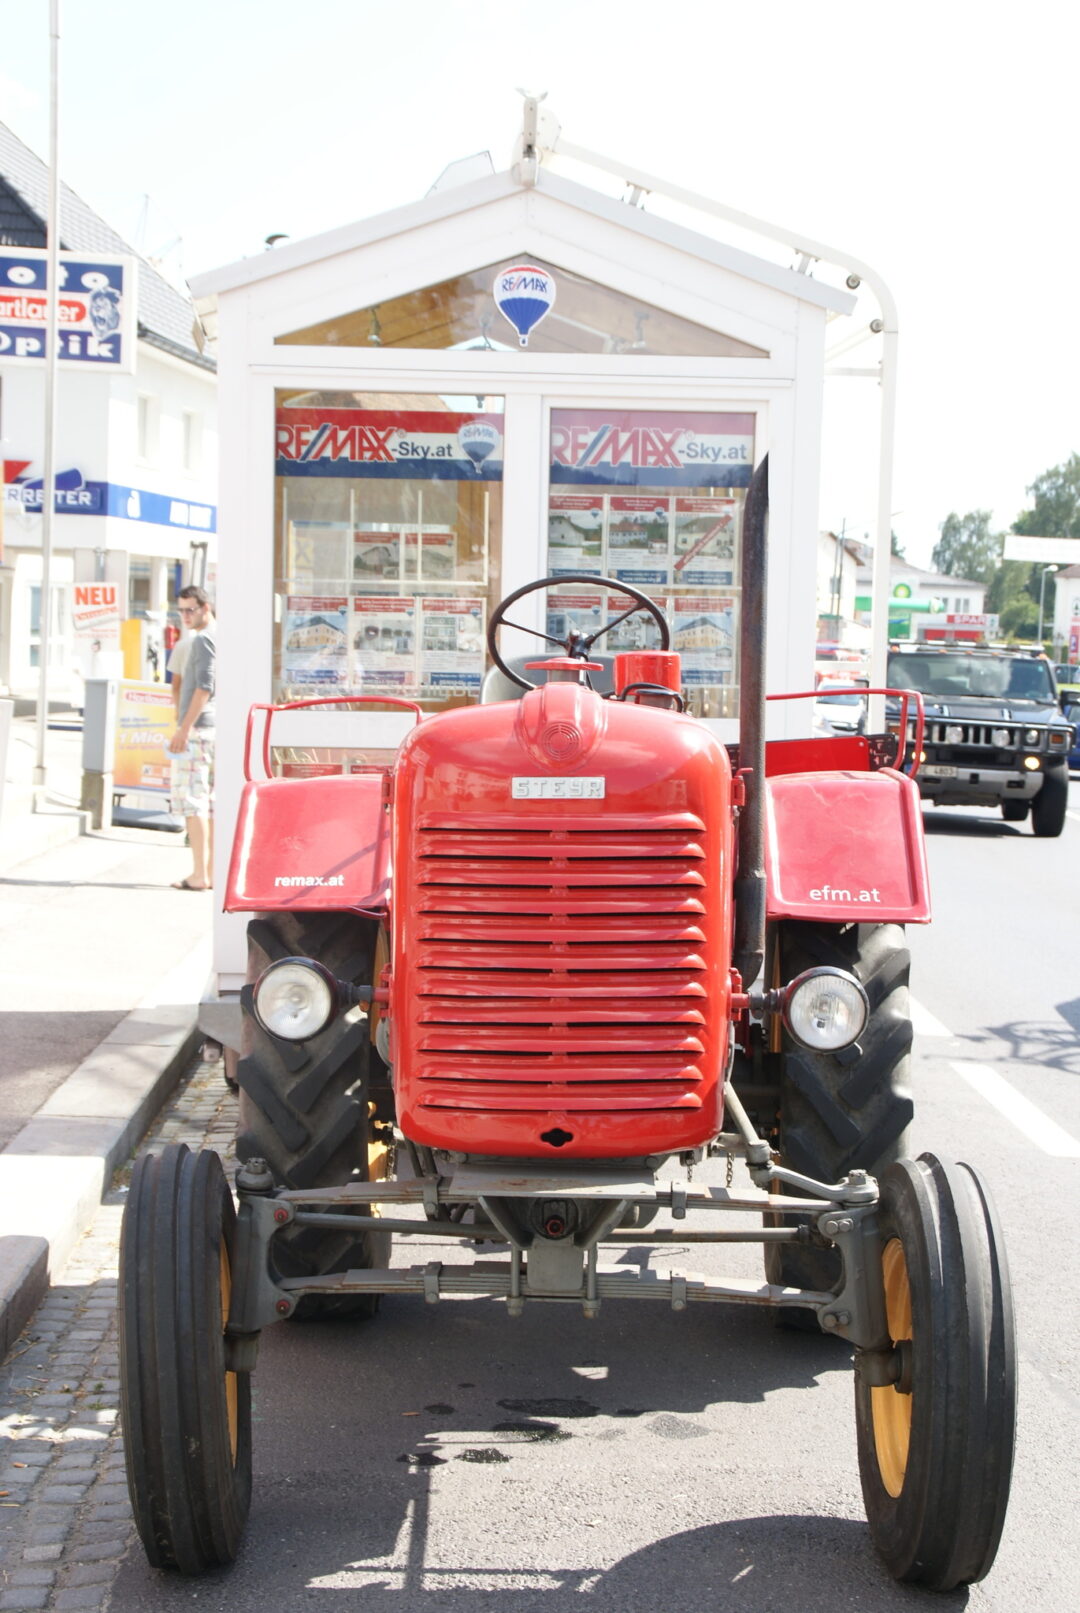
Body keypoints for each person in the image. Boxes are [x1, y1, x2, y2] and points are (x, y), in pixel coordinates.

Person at [168, 586, 215, 890]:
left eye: (190, 610)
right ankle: (208, 872)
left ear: (205, 607)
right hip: (212, 728)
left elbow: (203, 687)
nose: (185, 616)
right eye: (181, 610)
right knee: (209, 802)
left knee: (192, 802)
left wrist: (183, 729)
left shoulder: (203, 640)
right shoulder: (218, 636)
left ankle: (200, 874)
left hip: (198, 730)